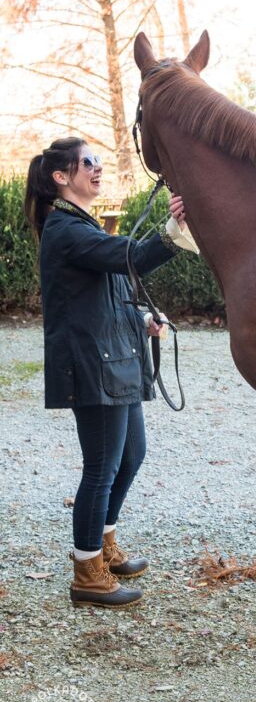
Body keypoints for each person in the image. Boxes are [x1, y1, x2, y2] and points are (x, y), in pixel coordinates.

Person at [24, 136, 199, 609]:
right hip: (93, 366)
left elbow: (110, 289)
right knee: (101, 469)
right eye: (89, 163)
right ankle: (87, 574)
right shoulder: (65, 229)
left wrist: (143, 318)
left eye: (98, 161)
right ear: (62, 177)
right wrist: (172, 229)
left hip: (115, 360)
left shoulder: (84, 226)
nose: (97, 168)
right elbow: (131, 257)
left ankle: (103, 547)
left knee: (131, 457)